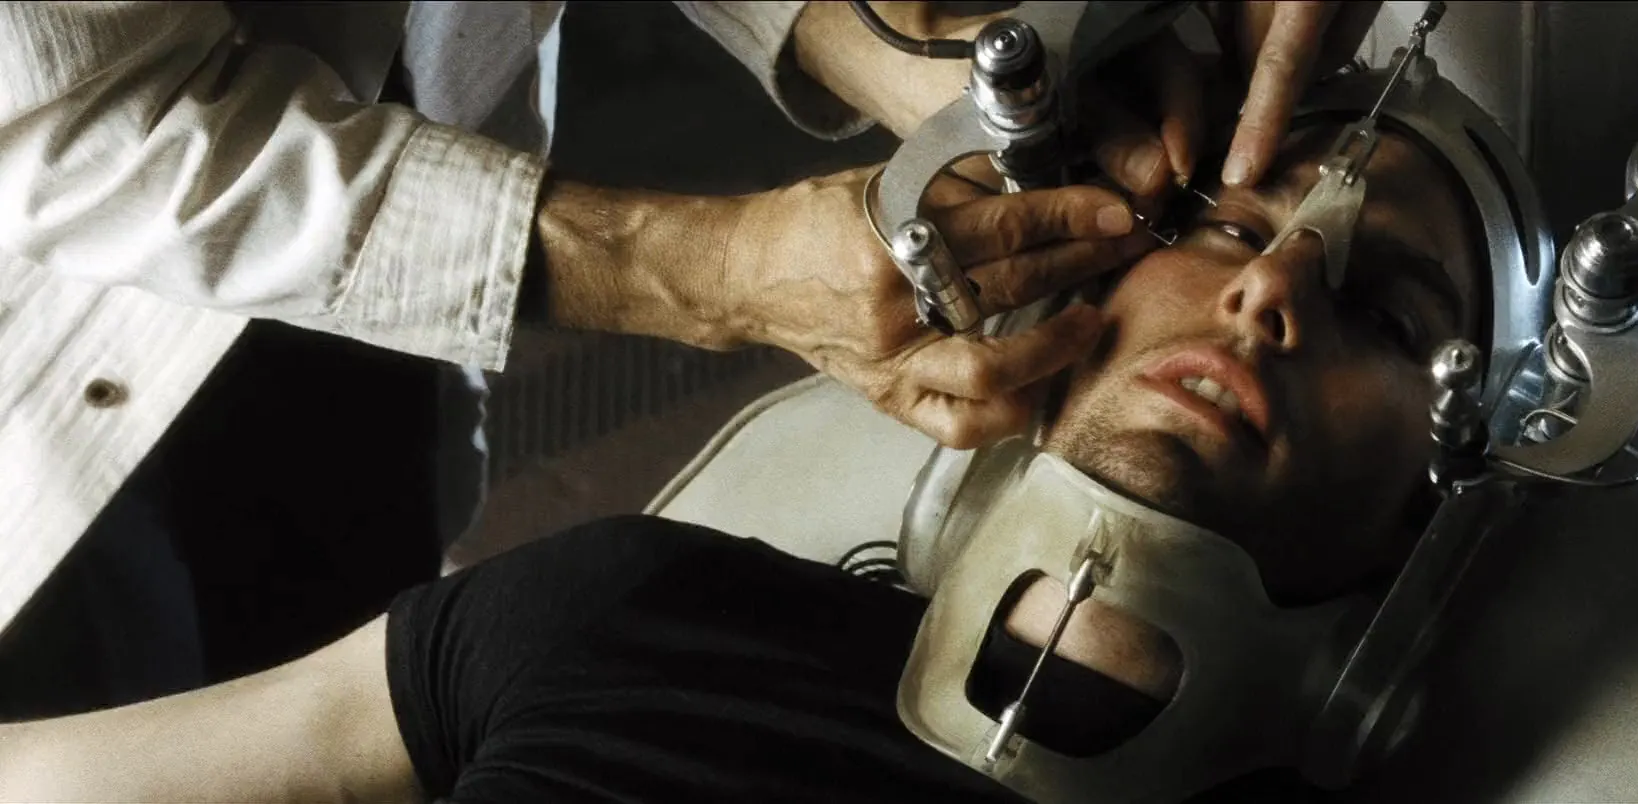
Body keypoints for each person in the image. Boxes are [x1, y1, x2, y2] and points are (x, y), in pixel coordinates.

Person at [0, 64, 1492, 798]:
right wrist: (699, 265)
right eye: (1223, 225)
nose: (1270, 287)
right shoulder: (635, 608)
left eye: (1386, 314)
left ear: (1433, 504)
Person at [0, 0, 1183, 716]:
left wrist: (908, 47)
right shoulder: (596, 617)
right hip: (85, 353)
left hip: (399, 233)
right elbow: (94, 133)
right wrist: (716, 269)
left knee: (357, 623)